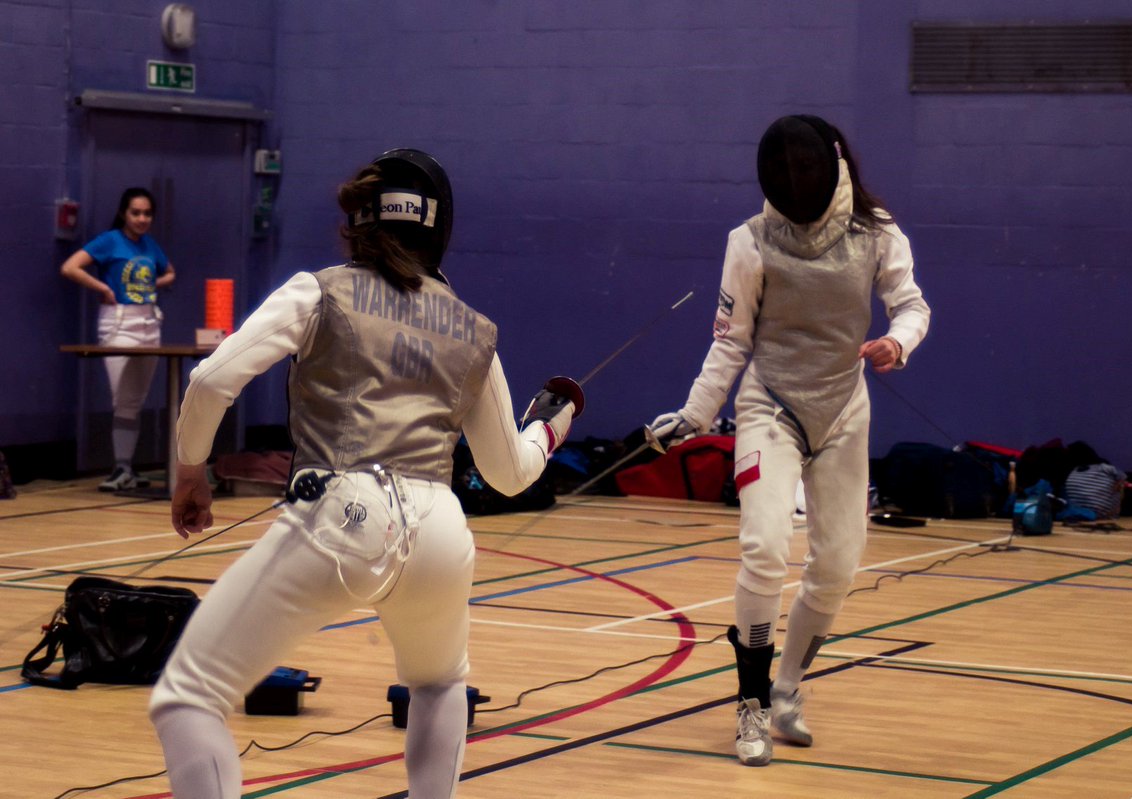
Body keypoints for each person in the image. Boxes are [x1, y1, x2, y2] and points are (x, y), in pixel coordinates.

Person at [148, 148, 583, 799]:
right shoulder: (471, 327)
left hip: (340, 514)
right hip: (440, 528)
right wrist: (551, 423)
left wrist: (191, 472)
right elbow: (510, 472)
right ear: (439, 227)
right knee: (438, 683)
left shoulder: (320, 289)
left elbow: (210, 379)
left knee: (187, 695)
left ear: (361, 221)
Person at [647, 115, 931, 766]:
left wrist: (898, 341)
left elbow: (912, 305)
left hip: (842, 414)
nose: (797, 182)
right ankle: (750, 702)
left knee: (835, 567)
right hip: (769, 408)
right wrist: (693, 416)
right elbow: (732, 341)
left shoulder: (875, 233)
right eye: (786, 173)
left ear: (831, 165)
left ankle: (787, 688)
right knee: (765, 545)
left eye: (806, 170)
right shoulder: (749, 241)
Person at [60, 187, 177, 491]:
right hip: (119, 322)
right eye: (135, 212)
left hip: (149, 321)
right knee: (122, 396)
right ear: (124, 213)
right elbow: (70, 266)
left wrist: (154, 282)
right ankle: (120, 468)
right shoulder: (109, 240)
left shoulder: (150, 245)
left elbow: (170, 274)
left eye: (147, 213)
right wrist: (103, 289)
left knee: (135, 400)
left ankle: (126, 468)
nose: (141, 218)